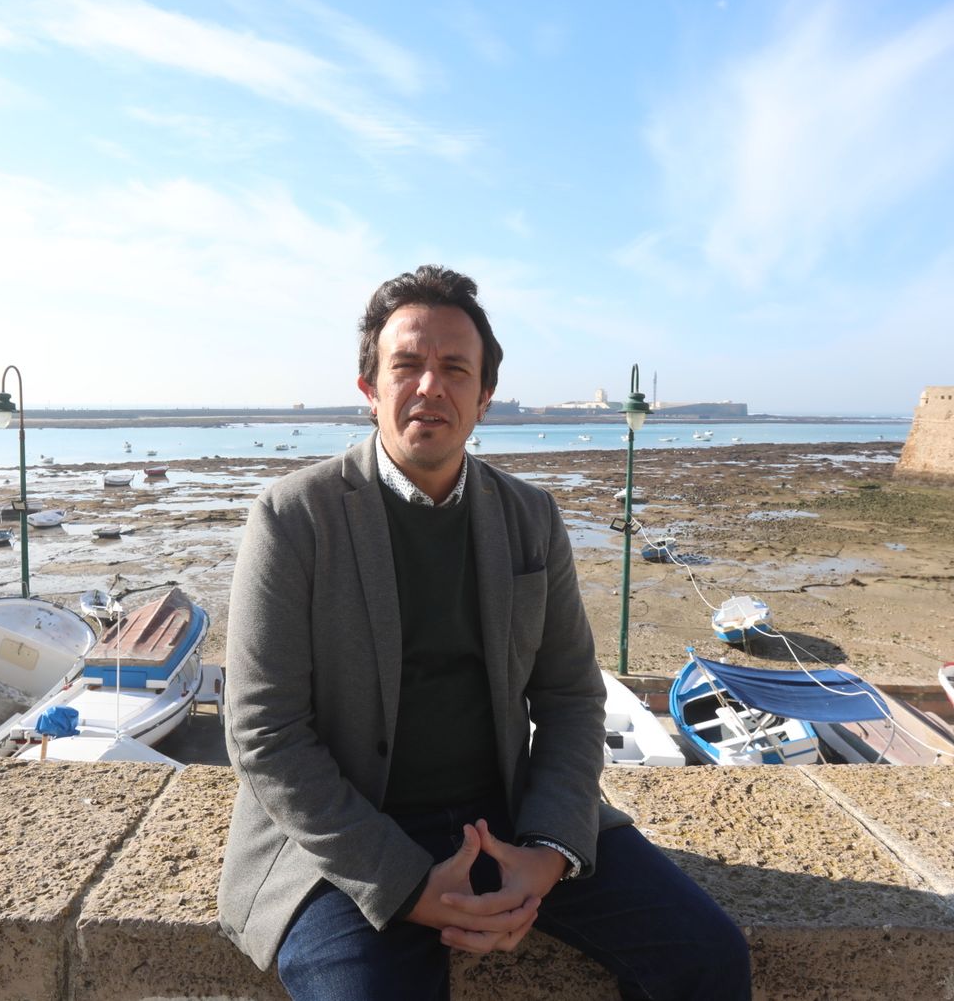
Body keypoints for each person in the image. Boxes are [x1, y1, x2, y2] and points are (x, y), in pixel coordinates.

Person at [219, 265, 749, 1000]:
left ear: (484, 397)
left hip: (503, 815)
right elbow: (263, 731)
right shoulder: (293, 519)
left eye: (454, 369)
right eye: (406, 365)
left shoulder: (529, 518)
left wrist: (549, 849)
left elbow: (569, 695)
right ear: (370, 388)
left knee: (708, 958)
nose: (430, 386)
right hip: (339, 840)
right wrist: (407, 883)